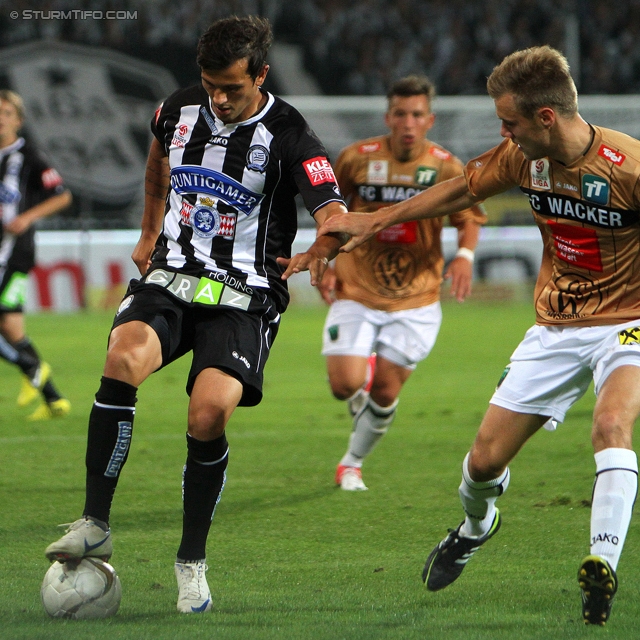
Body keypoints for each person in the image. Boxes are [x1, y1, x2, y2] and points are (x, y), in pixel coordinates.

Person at [319, 45, 639, 626]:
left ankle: (601, 565)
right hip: (555, 328)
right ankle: (475, 527)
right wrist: (375, 219)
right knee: (482, 465)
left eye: (509, 121)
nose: (503, 131)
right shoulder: (524, 158)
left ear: (545, 117)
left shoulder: (630, 169)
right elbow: (463, 189)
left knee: (611, 424)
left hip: (629, 323)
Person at [44, 15, 346, 614]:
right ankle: (95, 521)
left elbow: (332, 206)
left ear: (260, 74)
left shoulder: (291, 133)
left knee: (208, 413)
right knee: (122, 355)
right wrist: (151, 224)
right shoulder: (178, 108)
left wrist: (323, 245)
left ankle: (191, 562)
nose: (219, 98)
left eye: (232, 87)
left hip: (246, 293)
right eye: (210, 85)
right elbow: (159, 154)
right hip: (174, 277)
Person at [320, 76, 486, 491]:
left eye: (416, 114)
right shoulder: (356, 159)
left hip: (416, 297)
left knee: (385, 390)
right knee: (344, 386)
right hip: (357, 289)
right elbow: (331, 212)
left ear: (429, 119)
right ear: (387, 117)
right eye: (400, 114)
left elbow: (469, 217)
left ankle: (352, 463)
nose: (408, 123)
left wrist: (464, 256)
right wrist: (324, 259)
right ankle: (362, 376)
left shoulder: (447, 166)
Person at [0, 90, 72, 420]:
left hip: (15, 255)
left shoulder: (28, 156)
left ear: (18, 120)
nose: (0, 118)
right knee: (12, 328)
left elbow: (61, 195)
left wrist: (27, 218)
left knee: (8, 325)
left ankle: (31, 369)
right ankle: (52, 398)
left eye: (6, 112)